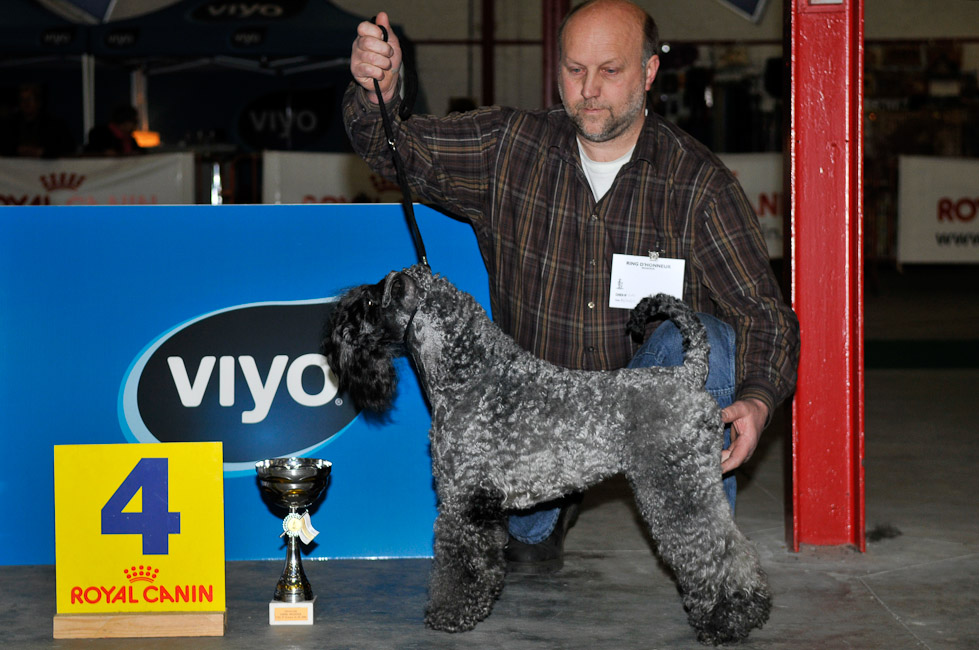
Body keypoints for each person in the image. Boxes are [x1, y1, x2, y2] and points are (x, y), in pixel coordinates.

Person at [343, 0, 799, 573]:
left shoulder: (698, 183)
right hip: (535, 426)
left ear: (649, 72)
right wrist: (375, 89)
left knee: (705, 340)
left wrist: (757, 400)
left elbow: (764, 313)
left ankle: (709, 562)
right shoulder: (508, 146)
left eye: (609, 70)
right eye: (573, 69)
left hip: (644, 409)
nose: (588, 89)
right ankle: (550, 512)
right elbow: (392, 148)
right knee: (523, 557)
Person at [0, 83, 76, 158]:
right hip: (15, 168)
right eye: (22, 100)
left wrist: (42, 152)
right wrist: (17, 150)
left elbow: (68, 147)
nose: (26, 103)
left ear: (38, 102)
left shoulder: (53, 124)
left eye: (29, 99)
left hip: (46, 169)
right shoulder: (11, 124)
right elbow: (4, 146)